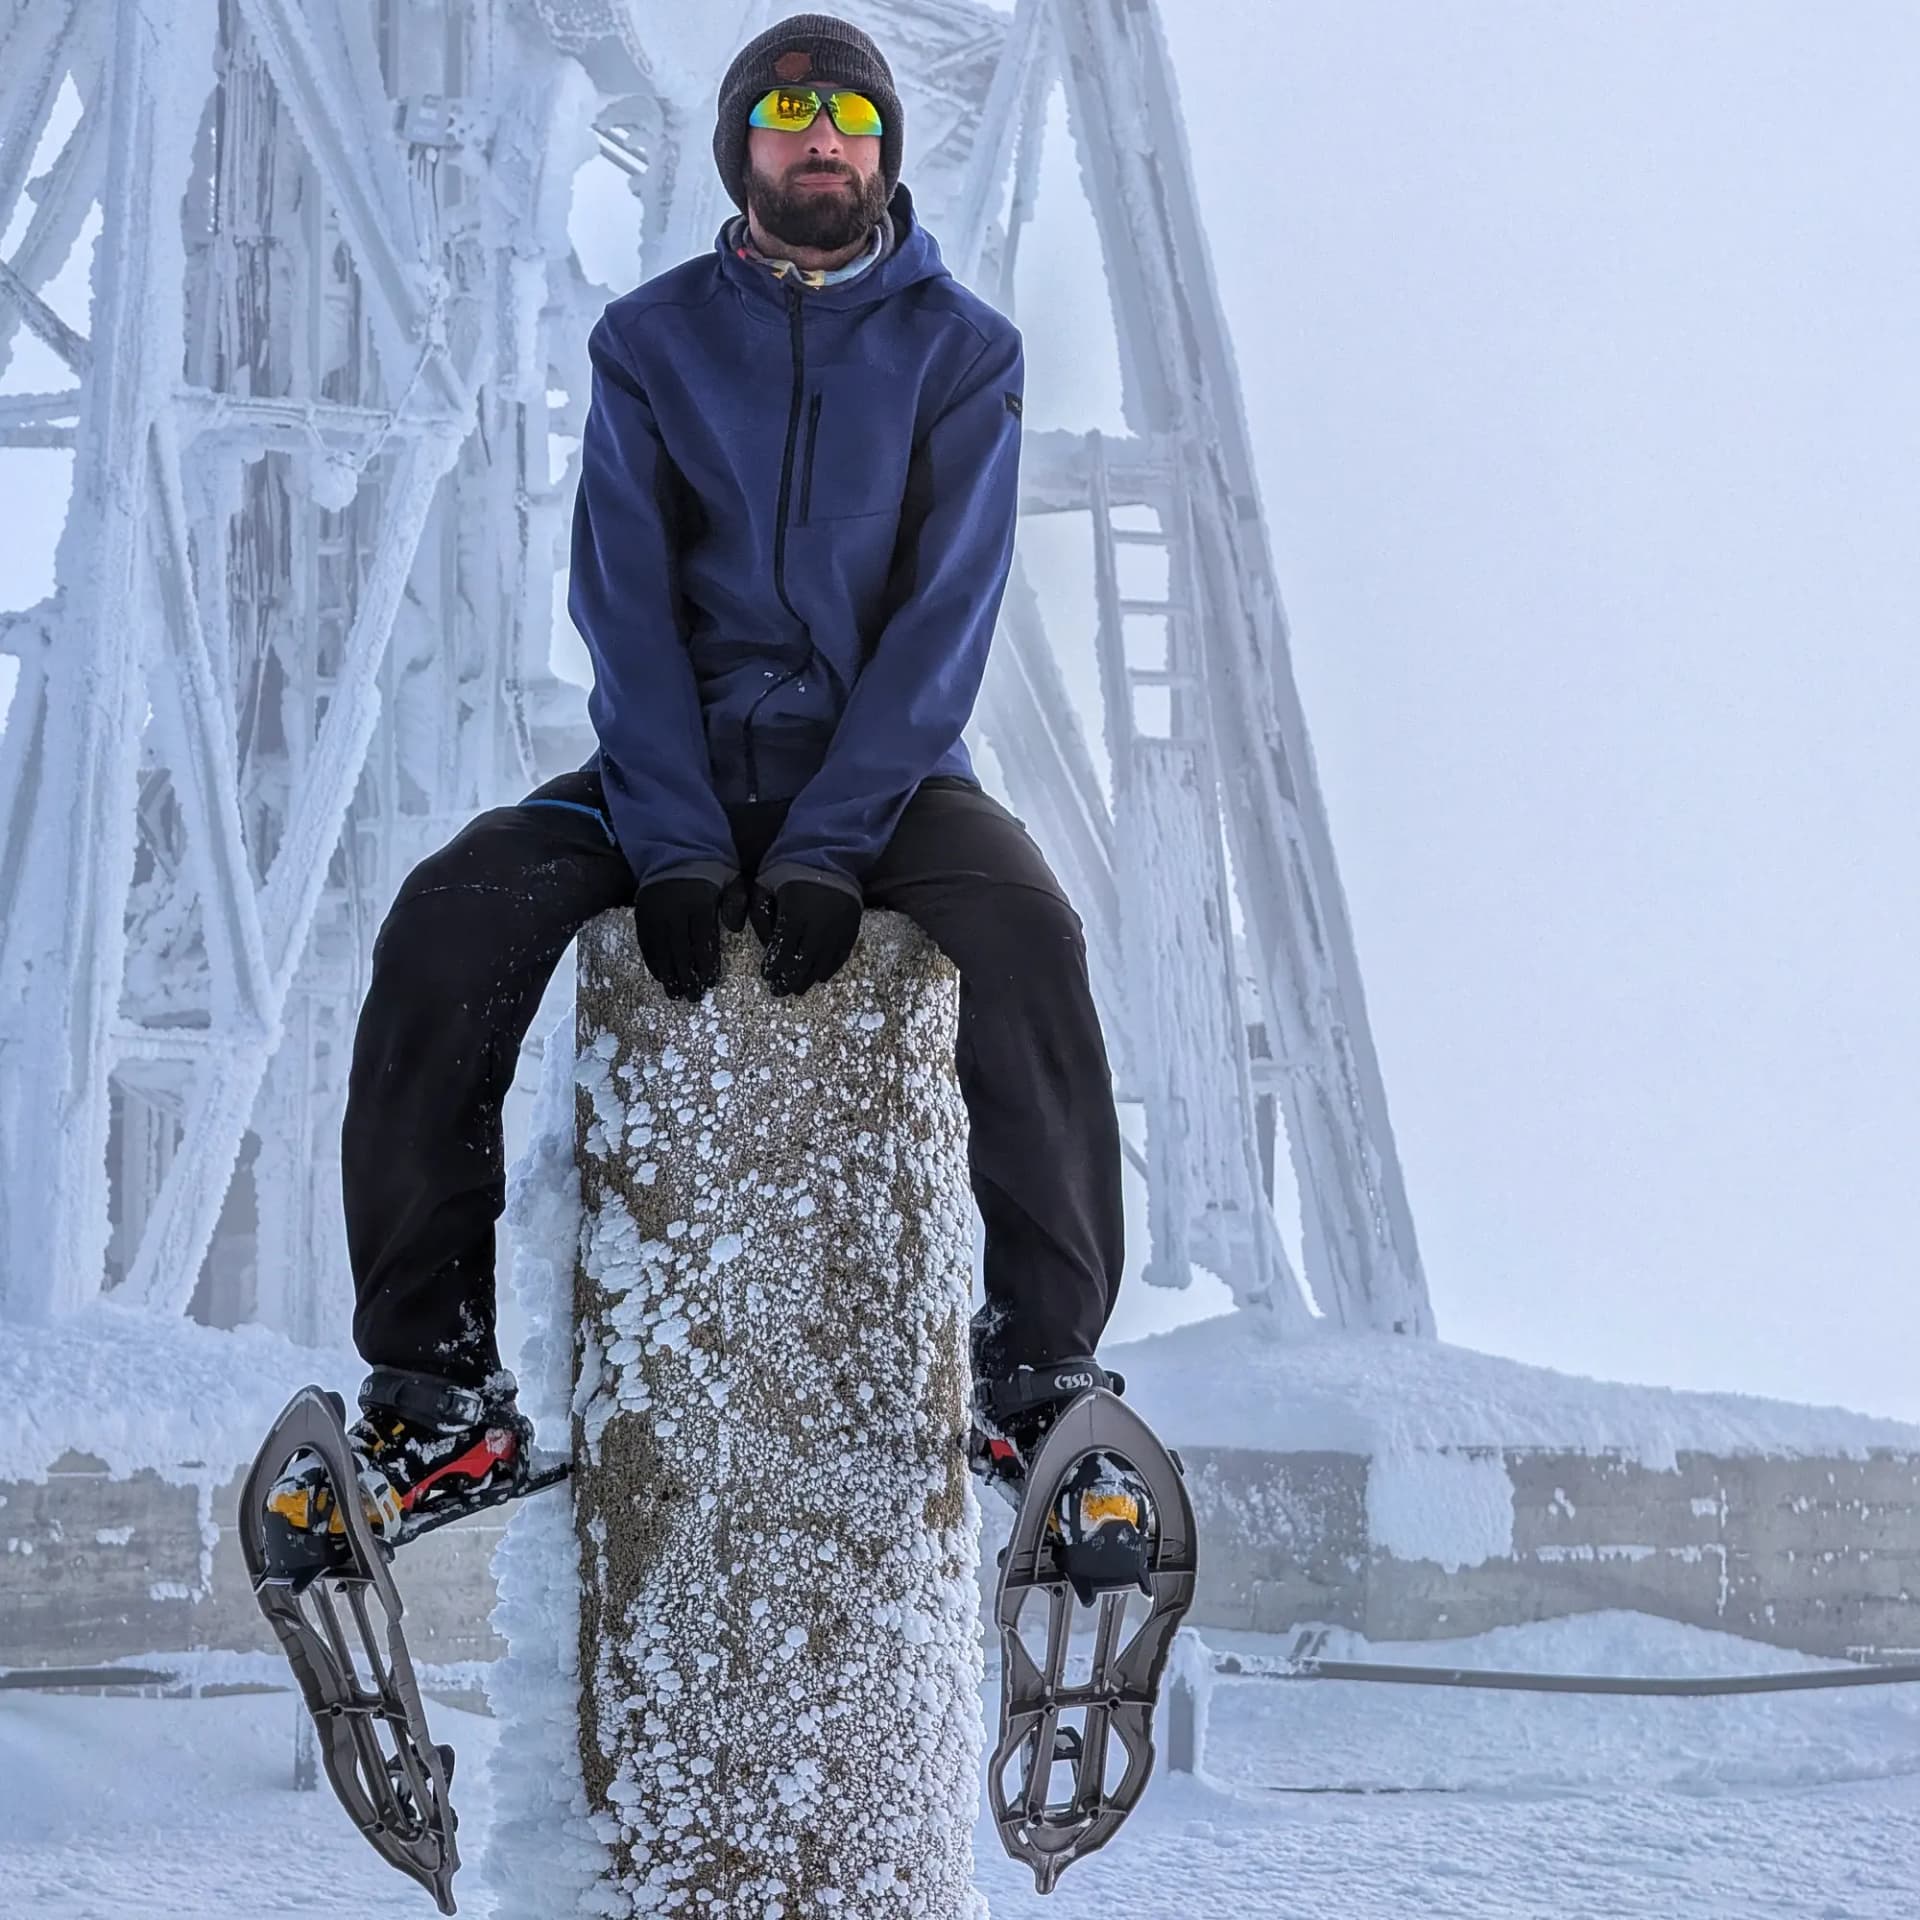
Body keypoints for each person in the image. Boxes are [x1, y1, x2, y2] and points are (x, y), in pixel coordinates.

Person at [265, 13, 1141, 1572]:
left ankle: (1041, 1381)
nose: (825, 144)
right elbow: (627, 609)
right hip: (671, 768)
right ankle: (436, 1387)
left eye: (853, 121)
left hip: (882, 779)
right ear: (742, 147)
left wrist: (827, 845)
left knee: (1026, 938)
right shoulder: (653, 344)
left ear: (884, 152)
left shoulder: (963, 354)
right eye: (793, 118)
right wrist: (672, 842)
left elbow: (941, 634)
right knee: (446, 920)